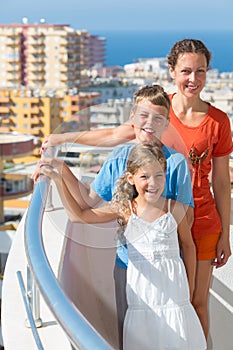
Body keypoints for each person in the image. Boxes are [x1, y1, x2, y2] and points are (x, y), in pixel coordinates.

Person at [39, 39, 233, 341]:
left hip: (196, 221)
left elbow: (220, 182)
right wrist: (62, 139)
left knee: (194, 305)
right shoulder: (155, 108)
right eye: (185, 71)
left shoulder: (215, 122)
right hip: (150, 225)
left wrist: (225, 235)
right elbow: (114, 136)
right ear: (172, 72)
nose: (193, 79)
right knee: (144, 310)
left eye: (201, 71)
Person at [36, 84, 194, 350]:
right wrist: (60, 170)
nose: (149, 123)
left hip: (169, 275)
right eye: (143, 115)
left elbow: (183, 226)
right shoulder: (119, 157)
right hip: (126, 268)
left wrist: (186, 288)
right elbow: (88, 202)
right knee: (132, 336)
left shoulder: (176, 163)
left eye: (158, 118)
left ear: (167, 123)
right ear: (132, 116)